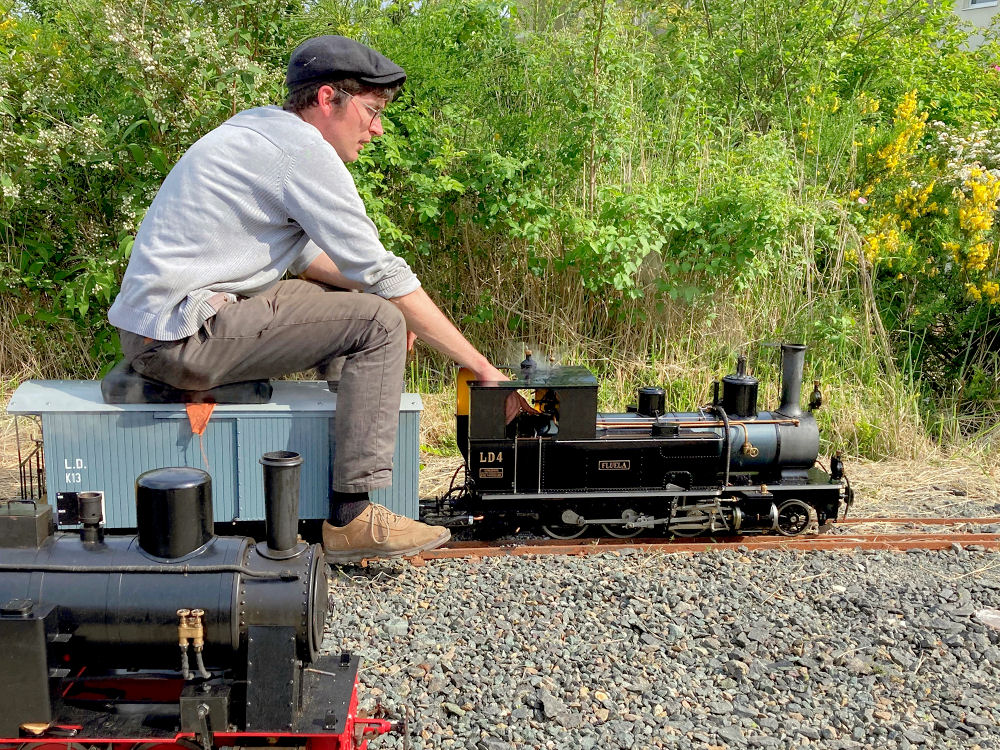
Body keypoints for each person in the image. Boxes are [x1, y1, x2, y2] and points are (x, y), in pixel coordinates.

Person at [108, 35, 510, 563]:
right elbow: (380, 269)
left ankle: (346, 447)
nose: (378, 128)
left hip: (163, 327)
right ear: (326, 99)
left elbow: (311, 261)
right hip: (181, 337)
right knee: (380, 323)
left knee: (371, 309)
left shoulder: (259, 132)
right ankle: (351, 515)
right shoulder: (301, 151)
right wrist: (481, 367)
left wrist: (377, 293)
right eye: (371, 111)